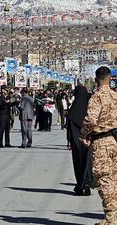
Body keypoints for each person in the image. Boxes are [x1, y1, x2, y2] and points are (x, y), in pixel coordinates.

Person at [81, 67, 117, 225]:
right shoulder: (115, 96)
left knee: (104, 179)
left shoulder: (97, 97)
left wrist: (84, 134)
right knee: (114, 179)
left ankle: (111, 218)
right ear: (109, 78)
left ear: (96, 79)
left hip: (101, 142)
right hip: (114, 140)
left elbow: (90, 120)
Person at [66, 84, 92, 196]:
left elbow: (69, 129)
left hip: (76, 143)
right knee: (88, 162)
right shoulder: (90, 109)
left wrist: (69, 141)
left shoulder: (73, 110)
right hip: (88, 141)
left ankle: (79, 185)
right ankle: (87, 183)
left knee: (78, 163)